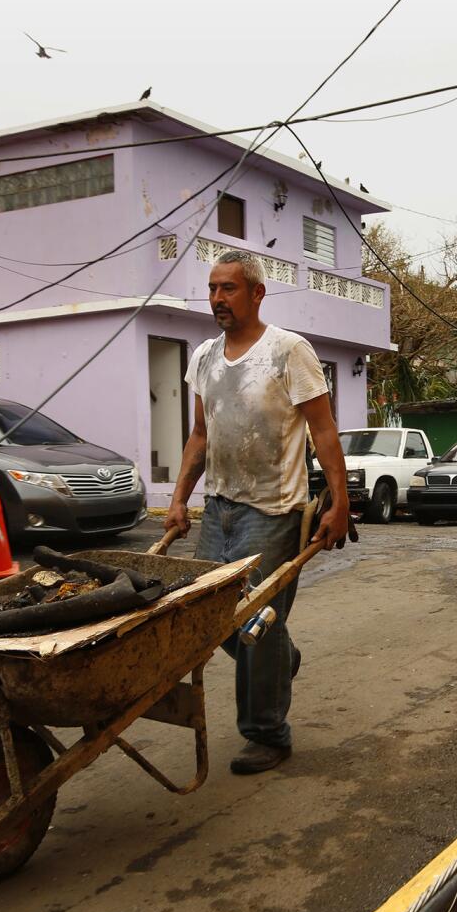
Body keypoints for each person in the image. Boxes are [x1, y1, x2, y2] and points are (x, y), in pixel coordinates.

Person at [165, 249, 352, 775]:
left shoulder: (288, 351)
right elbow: (200, 436)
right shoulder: (203, 357)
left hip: (274, 511)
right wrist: (180, 499)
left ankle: (268, 734)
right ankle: (279, 659)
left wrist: (339, 503)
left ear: (256, 293)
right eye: (212, 288)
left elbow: (324, 431)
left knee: (257, 622)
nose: (217, 299)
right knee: (214, 619)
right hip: (219, 507)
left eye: (228, 288)